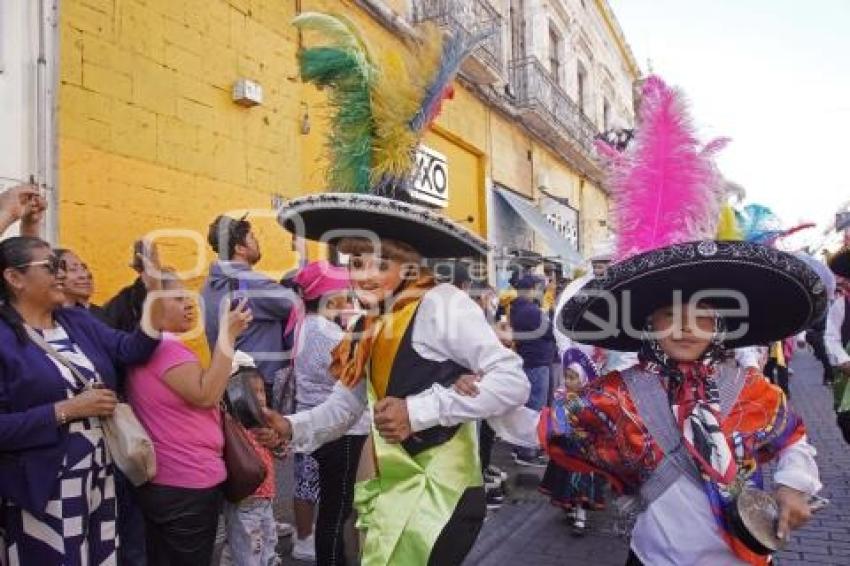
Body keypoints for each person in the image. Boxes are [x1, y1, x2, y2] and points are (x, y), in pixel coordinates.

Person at [549, 76, 823, 565]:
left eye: (701, 316)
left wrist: (793, 486)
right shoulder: (619, 392)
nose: (685, 327)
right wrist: (469, 398)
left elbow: (792, 437)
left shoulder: (748, 387)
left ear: (721, 325)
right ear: (648, 324)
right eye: (670, 315)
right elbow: (552, 427)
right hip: (650, 558)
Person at [0, 236, 166, 565]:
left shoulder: (75, 321)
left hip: (99, 476)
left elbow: (134, 348)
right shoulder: (4, 339)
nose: (61, 274)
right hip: (43, 488)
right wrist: (68, 410)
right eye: (51, 267)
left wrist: (155, 285)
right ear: (15, 278)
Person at [126, 269, 252, 566]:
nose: (189, 304)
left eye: (188, 297)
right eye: (177, 298)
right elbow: (207, 394)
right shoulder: (166, 348)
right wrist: (227, 335)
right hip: (186, 482)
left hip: (167, 479)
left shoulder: (151, 346)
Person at [289, 260, 369, 564]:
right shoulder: (330, 334)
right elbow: (356, 375)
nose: (347, 294)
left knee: (331, 507)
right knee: (337, 510)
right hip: (342, 431)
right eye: (342, 289)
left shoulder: (306, 325)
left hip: (320, 425)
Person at [201, 214, 297, 400]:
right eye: (252, 237)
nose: (257, 241)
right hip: (262, 386)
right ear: (239, 248)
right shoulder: (251, 283)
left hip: (228, 383)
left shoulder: (207, 287)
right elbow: (296, 305)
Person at [539, 348, 604, 536]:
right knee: (565, 480)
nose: (568, 381)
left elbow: (597, 423)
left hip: (586, 450)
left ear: (583, 379)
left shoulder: (591, 399)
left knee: (582, 483)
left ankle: (580, 517)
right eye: (566, 377)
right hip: (567, 447)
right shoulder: (560, 395)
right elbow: (557, 420)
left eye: (573, 378)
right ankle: (570, 508)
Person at [221, 363, 281, 566]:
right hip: (245, 501)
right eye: (252, 392)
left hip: (266, 500)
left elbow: (283, 453)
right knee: (248, 552)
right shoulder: (233, 424)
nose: (260, 397)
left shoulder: (268, 423)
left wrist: (277, 442)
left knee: (268, 545)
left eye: (262, 391)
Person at [509, 274, 556, 467]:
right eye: (539, 288)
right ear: (530, 289)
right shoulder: (529, 310)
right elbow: (550, 330)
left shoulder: (519, 307)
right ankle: (526, 451)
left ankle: (523, 446)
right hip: (536, 362)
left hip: (532, 360)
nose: (541, 291)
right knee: (534, 407)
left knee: (530, 406)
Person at [54, 248, 105, 317]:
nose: (85, 275)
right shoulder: (48, 319)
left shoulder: (103, 317)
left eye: (84, 268)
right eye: (73, 269)